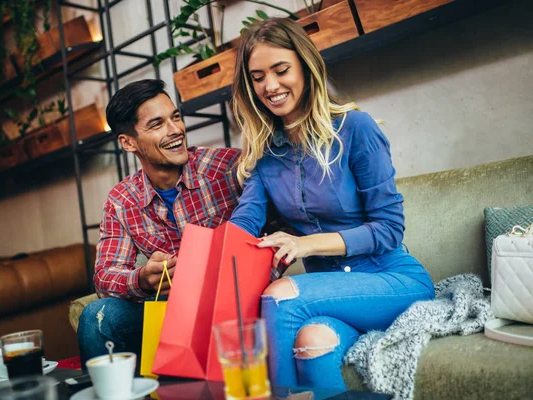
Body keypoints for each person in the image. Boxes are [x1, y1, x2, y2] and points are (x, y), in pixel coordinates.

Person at [228, 18, 435, 393]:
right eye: (258, 77)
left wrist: (305, 244)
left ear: (305, 67)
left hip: (392, 279)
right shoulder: (264, 154)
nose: (270, 86)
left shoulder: (356, 128)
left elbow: (389, 228)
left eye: (281, 70)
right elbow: (245, 219)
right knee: (313, 341)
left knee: (280, 297)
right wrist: (207, 259)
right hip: (330, 295)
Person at [77, 79, 243, 368]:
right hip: (172, 311)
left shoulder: (228, 168)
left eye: (175, 117)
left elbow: (282, 230)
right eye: (157, 124)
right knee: (96, 317)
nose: (176, 130)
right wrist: (142, 279)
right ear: (128, 142)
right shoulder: (121, 200)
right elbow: (104, 276)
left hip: (235, 303)